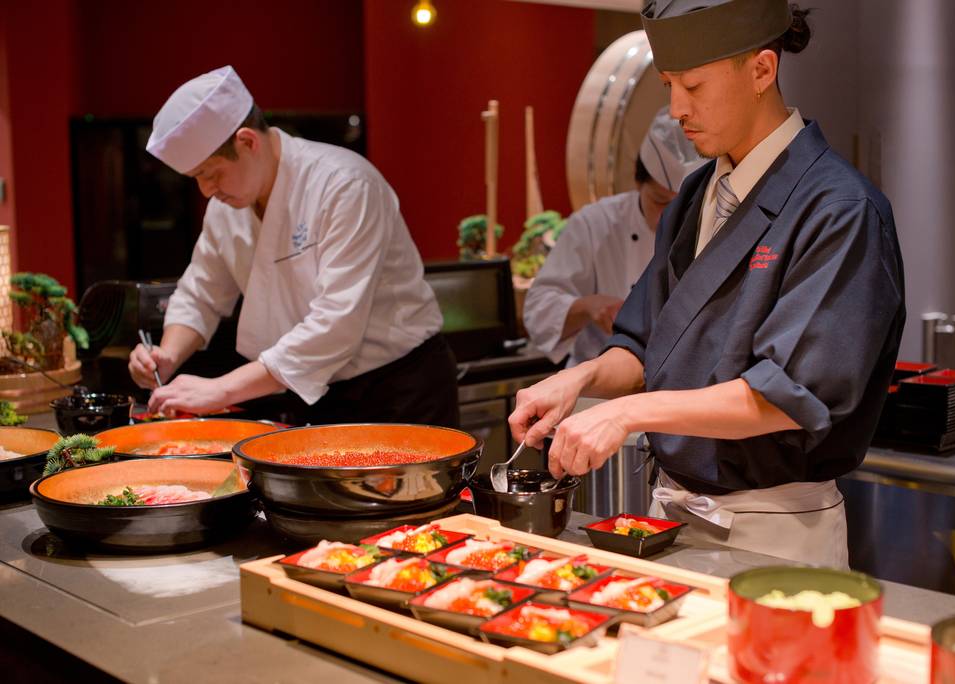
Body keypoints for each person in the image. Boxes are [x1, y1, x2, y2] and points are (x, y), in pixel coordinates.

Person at [509, 0, 906, 567]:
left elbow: (783, 397)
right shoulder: (696, 197)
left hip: (776, 532)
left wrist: (626, 414)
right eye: (669, 84)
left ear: (762, 71)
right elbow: (646, 345)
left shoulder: (839, 209)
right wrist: (581, 378)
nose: (675, 108)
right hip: (671, 519)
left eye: (693, 87)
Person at [128, 66, 458, 427]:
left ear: (248, 142)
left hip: (397, 389)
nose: (206, 191)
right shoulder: (228, 207)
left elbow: (337, 323)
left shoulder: (344, 184)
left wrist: (221, 390)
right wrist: (168, 355)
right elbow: (201, 294)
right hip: (309, 392)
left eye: (211, 173)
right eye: (196, 179)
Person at [523, 108, 701, 367]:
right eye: (660, 202)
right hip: (599, 389)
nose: (672, 217)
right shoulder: (595, 224)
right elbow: (538, 309)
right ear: (637, 183)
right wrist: (589, 306)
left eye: (685, 206)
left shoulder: (711, 227)